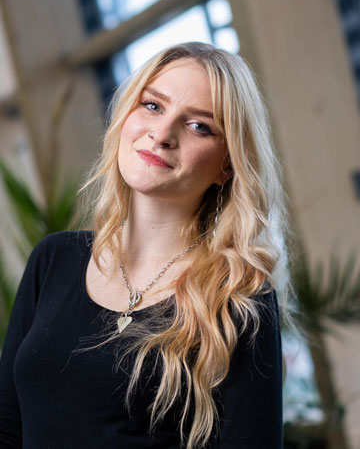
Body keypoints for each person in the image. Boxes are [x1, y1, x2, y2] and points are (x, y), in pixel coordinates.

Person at [0, 42, 293, 449]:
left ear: (227, 165)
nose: (162, 133)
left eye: (199, 126)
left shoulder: (239, 301)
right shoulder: (53, 260)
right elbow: (7, 426)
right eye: (153, 106)